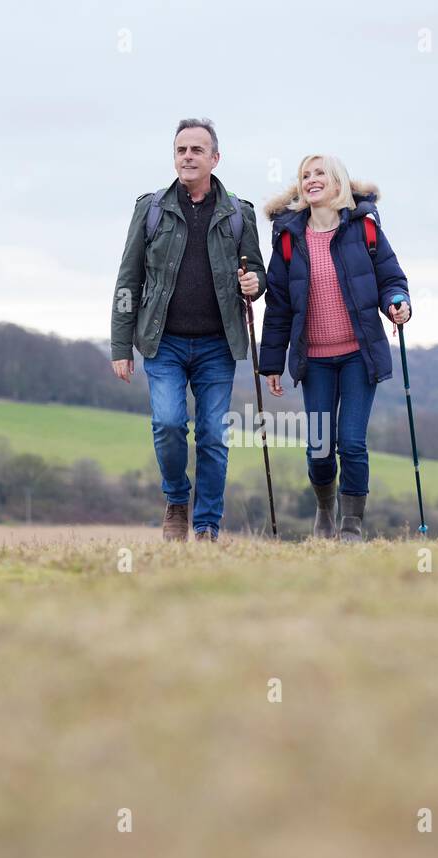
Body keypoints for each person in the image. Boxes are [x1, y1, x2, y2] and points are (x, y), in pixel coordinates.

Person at [110, 118, 266, 541]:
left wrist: (254, 284)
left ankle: (207, 525)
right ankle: (177, 500)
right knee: (168, 423)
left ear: (215, 158)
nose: (188, 157)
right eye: (181, 150)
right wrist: (120, 345)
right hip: (164, 343)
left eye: (197, 150)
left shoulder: (239, 214)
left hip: (218, 345)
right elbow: (128, 280)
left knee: (214, 436)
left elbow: (256, 274)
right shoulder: (151, 209)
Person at [258, 154, 411, 542]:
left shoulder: (364, 229)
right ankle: (325, 510)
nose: (311, 180)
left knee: (353, 442)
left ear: (337, 182)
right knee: (320, 447)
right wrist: (271, 364)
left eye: (319, 173)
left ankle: (351, 525)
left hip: (359, 356)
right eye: (305, 175)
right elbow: (277, 305)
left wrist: (397, 301)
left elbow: (390, 277)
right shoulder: (290, 238)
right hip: (316, 361)